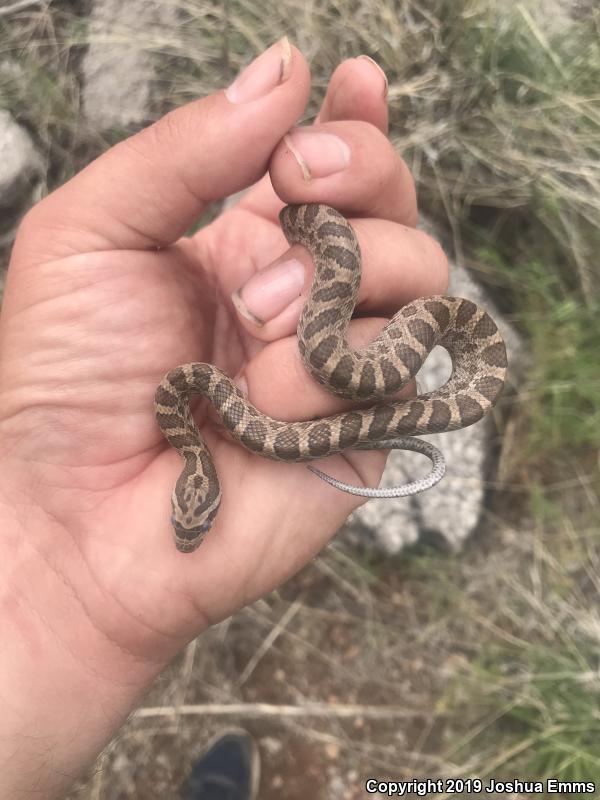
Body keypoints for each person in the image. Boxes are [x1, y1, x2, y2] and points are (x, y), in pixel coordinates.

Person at [0, 39, 448, 799]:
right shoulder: (194, 420)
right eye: (194, 526)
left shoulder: (196, 410)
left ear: (192, 489)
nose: (191, 531)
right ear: (196, 493)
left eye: (191, 522)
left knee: (336, 253)